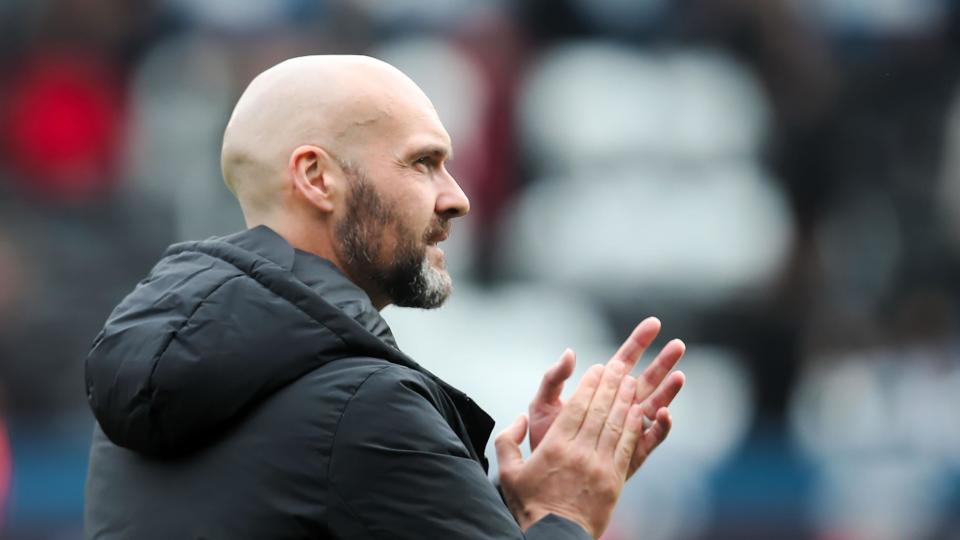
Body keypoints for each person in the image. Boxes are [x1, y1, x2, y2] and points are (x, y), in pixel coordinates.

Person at [83, 55, 686, 539]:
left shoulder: (142, 399)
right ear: (317, 178)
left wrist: (497, 510)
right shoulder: (363, 407)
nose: (457, 199)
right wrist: (567, 511)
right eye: (423, 163)